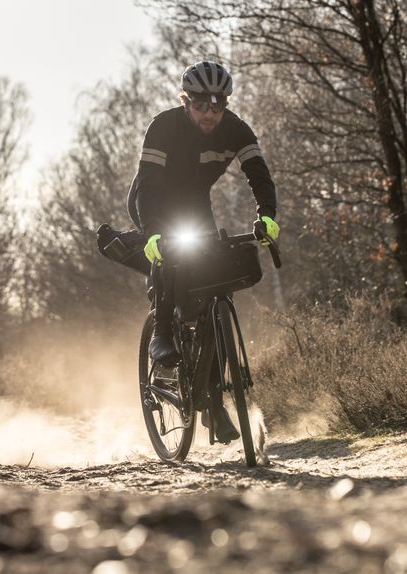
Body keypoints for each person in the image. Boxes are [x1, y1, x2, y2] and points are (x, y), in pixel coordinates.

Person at [126, 61, 280, 442]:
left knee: (217, 286)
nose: (210, 114)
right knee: (170, 258)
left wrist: (267, 216)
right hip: (153, 201)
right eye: (200, 106)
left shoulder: (236, 129)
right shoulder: (164, 126)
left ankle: (213, 403)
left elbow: (258, 174)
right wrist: (153, 234)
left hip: (196, 205)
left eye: (218, 105)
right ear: (186, 101)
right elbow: (147, 187)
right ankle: (163, 332)